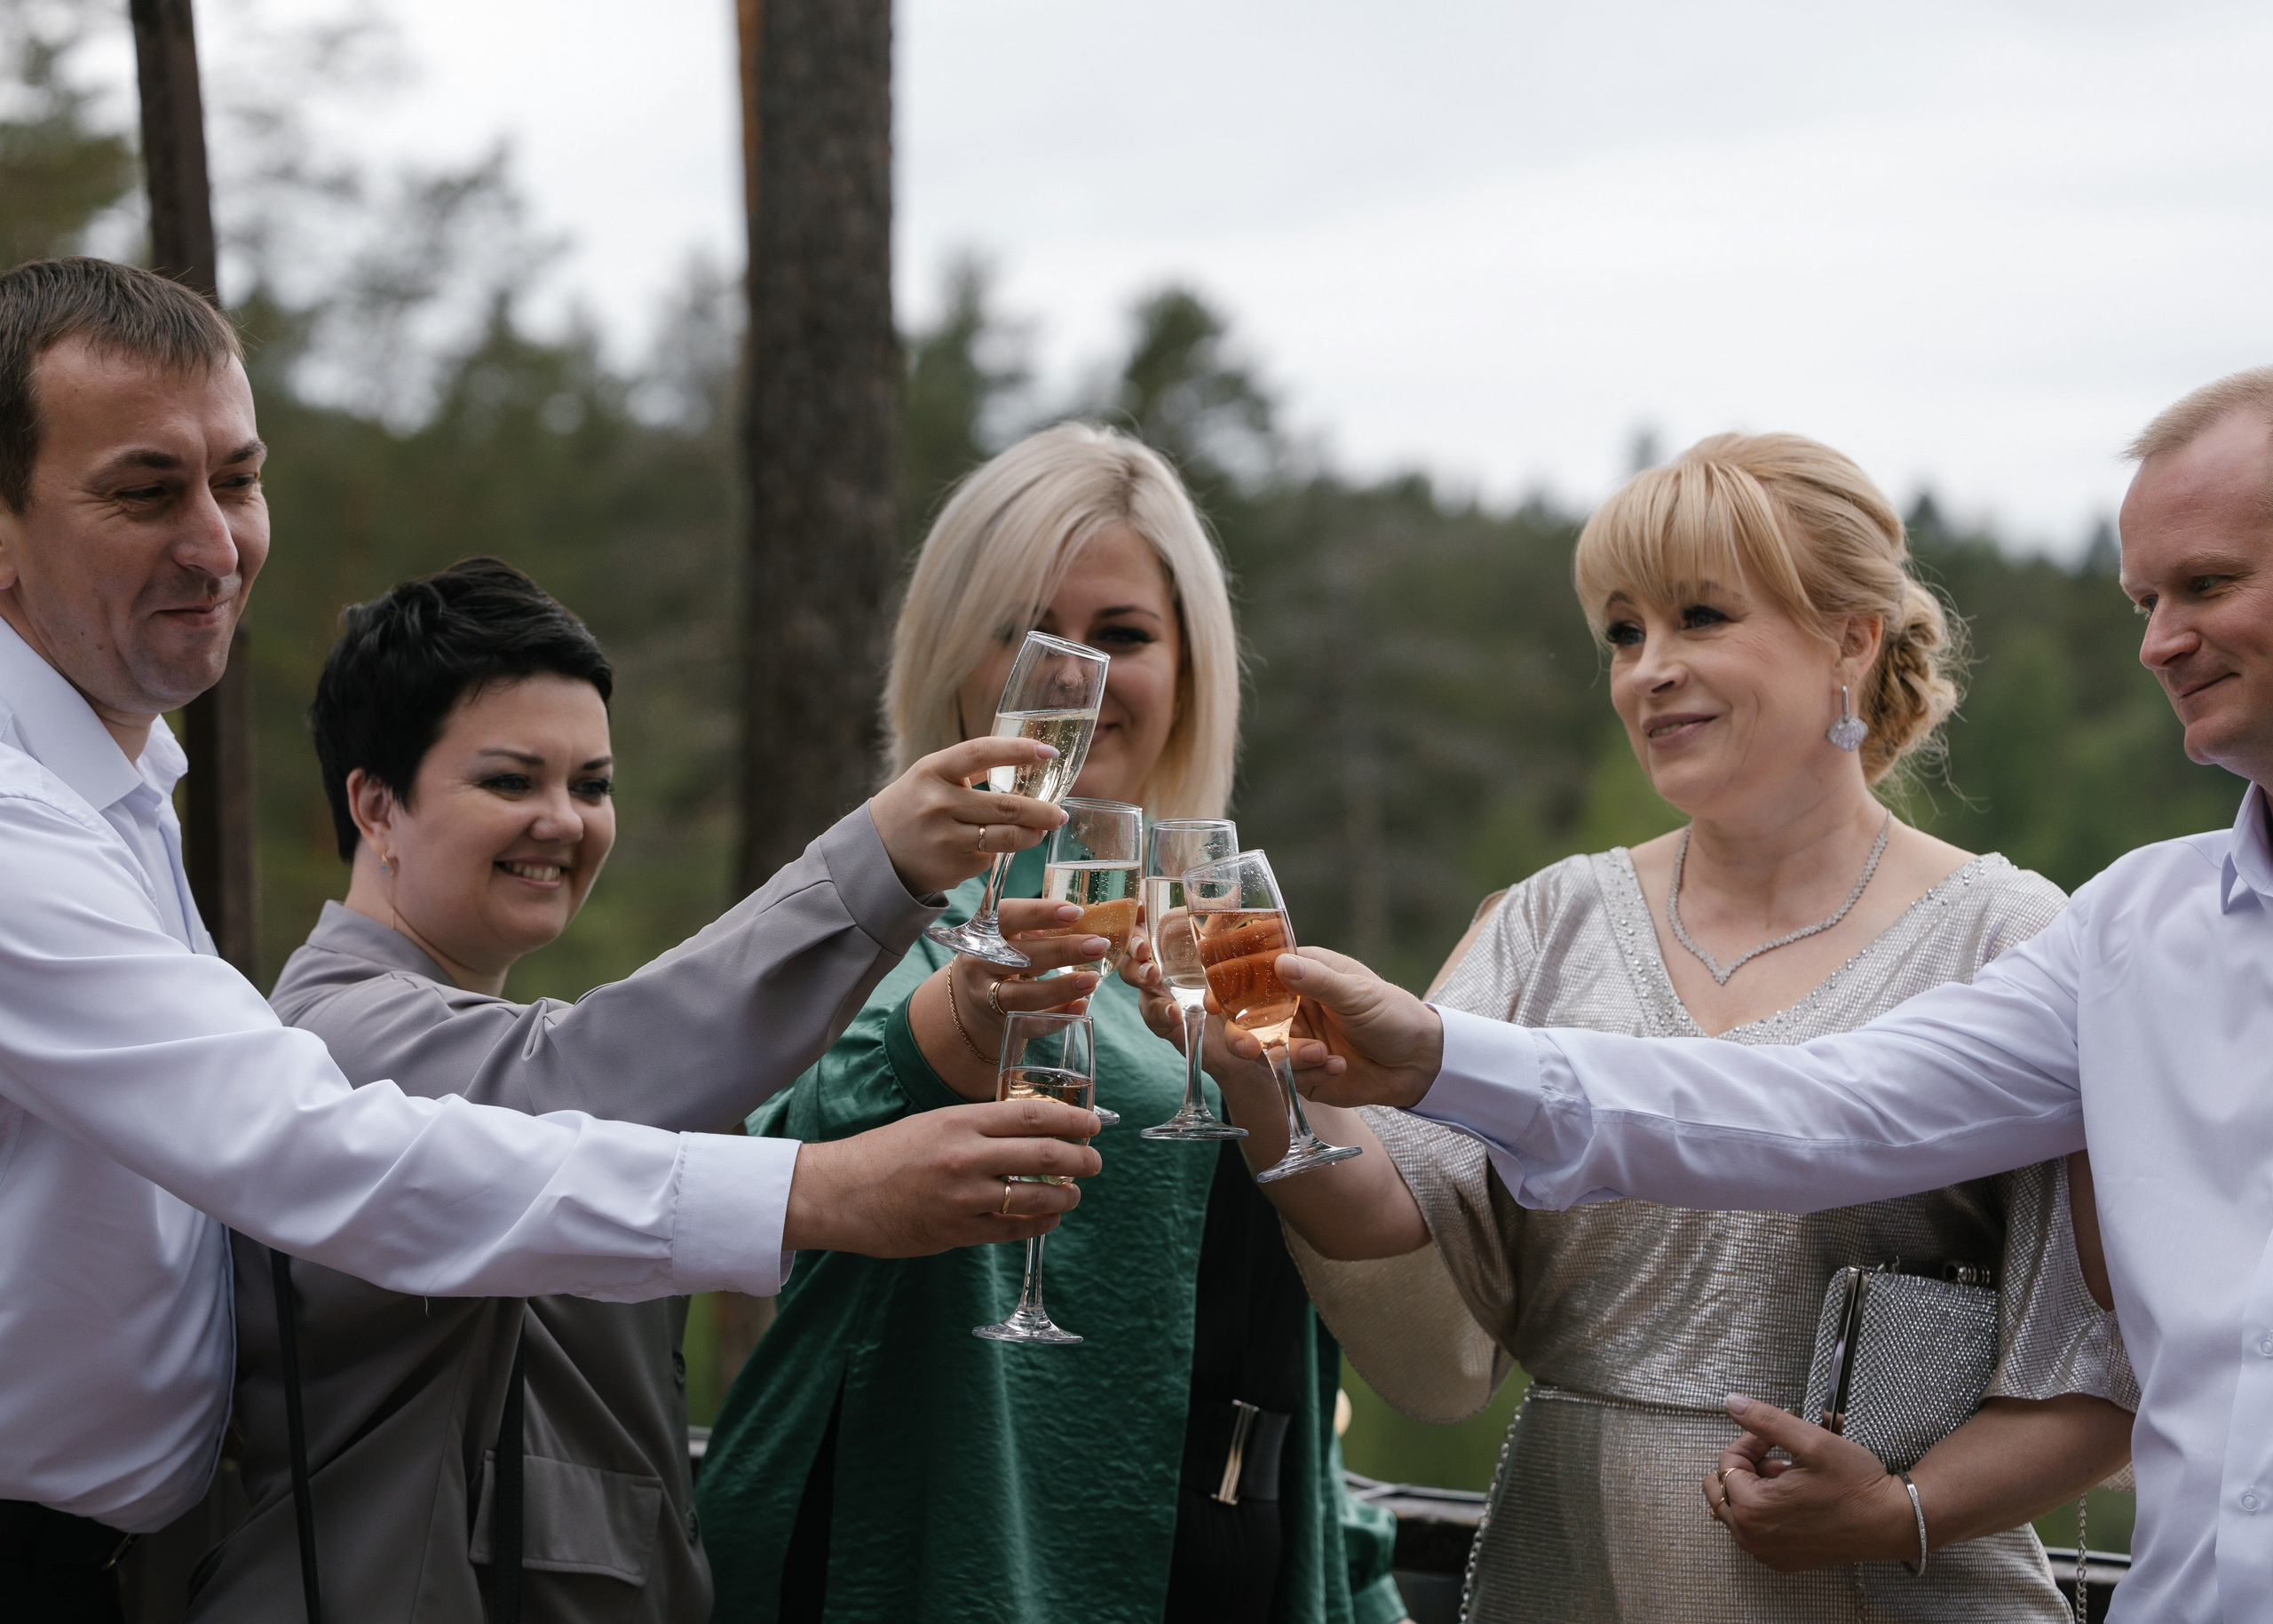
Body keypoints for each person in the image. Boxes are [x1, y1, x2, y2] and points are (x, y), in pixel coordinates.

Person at [0, 257, 1096, 1622]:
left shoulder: (118, 798)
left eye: (238, 478)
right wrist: (827, 1145)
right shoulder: (79, 864)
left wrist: (953, 1027)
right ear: (374, 806)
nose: (218, 544)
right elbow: (417, 1121)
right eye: (146, 489)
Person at [1251, 367, 2273, 1624]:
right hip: (1572, 1564)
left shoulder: (2025, 927)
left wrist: (1903, 1510)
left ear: (1853, 635)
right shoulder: (2136, 933)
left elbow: (2090, 1374)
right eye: (1623, 633)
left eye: (2208, 585)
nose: (2158, 638)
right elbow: (1808, 1111)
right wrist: (1319, 1058)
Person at [695, 423, 1406, 1624]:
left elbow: (1304, 1300)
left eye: (1122, 634)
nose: (1078, 674)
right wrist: (941, 1037)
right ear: (952, 658)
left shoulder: (1222, 923)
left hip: (1230, 1562)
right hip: (952, 1561)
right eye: (1029, 633)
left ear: (1190, 663)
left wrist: (1356, 1580)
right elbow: (770, 1148)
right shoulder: (887, 918)